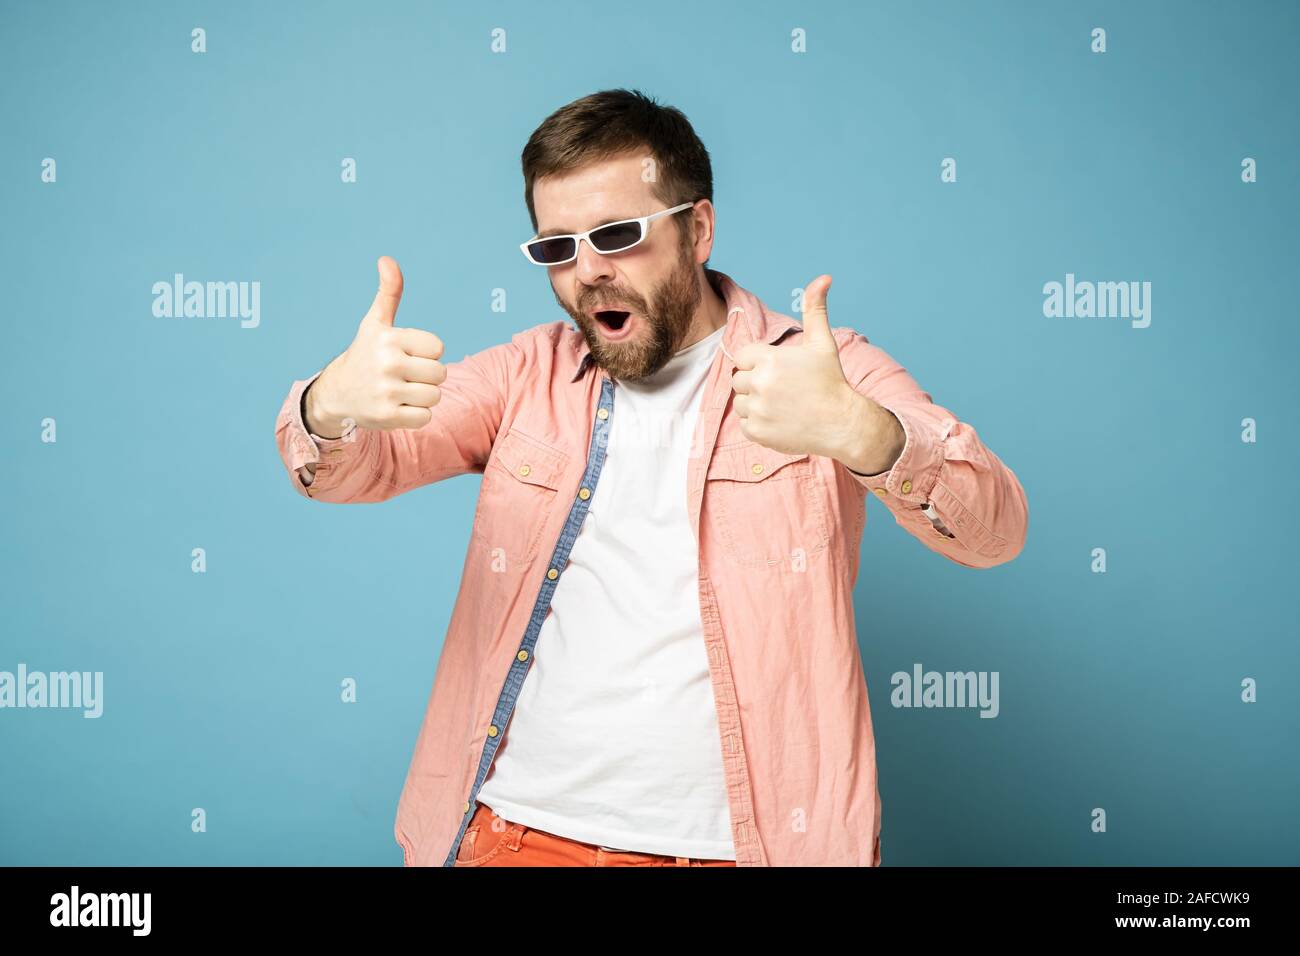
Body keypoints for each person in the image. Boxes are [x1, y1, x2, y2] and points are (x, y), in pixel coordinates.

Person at [273, 89, 1029, 867]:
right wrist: (331, 404)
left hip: (749, 851)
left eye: (617, 234)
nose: (588, 272)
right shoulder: (525, 374)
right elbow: (347, 470)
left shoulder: (821, 371)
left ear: (697, 229)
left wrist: (858, 430)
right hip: (515, 839)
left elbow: (995, 532)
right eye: (557, 248)